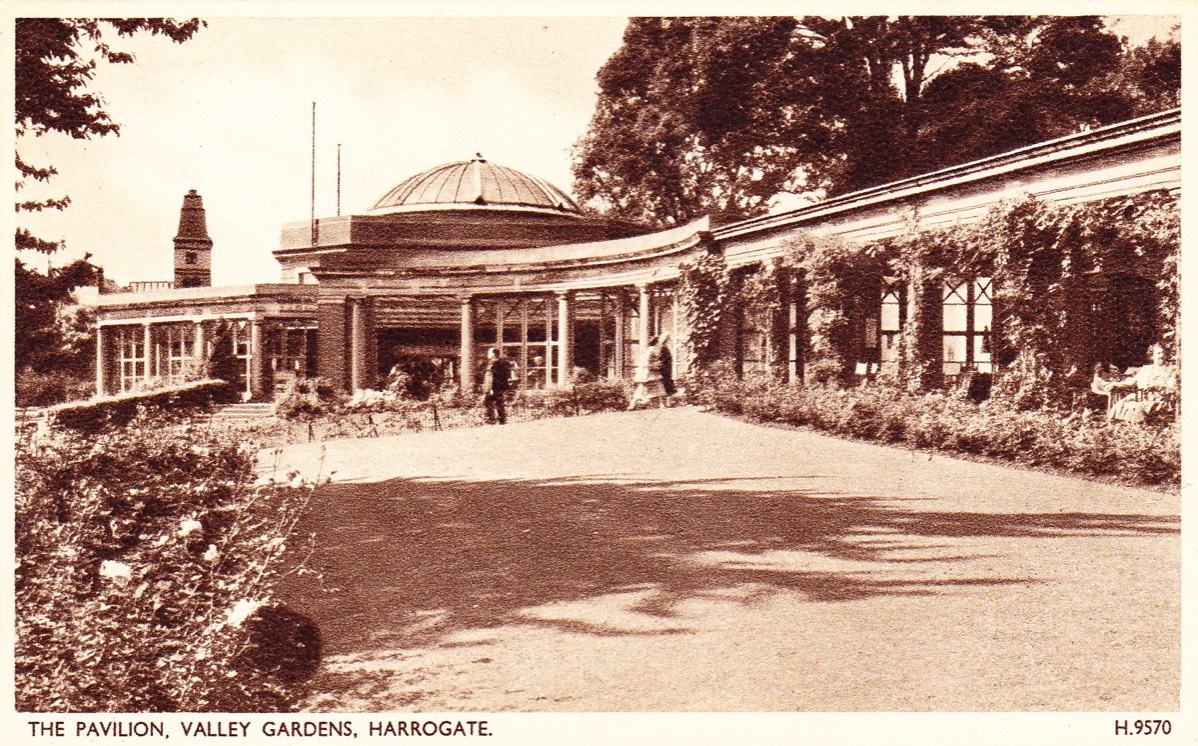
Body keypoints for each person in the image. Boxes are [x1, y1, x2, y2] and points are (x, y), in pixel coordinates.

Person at [1095, 344, 1178, 423]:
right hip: (1141, 396)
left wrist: (1155, 386)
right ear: (1152, 356)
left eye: (1163, 353)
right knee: (1121, 404)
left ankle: (1139, 427)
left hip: (1158, 399)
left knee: (1138, 407)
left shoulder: (1171, 370)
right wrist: (1116, 385)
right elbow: (1132, 381)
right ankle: (1122, 427)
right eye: (1158, 353)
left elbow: (1171, 387)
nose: (1161, 356)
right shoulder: (1146, 369)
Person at [627, 336, 667, 410]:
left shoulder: (648, 350)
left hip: (647, 372)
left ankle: (633, 404)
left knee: (644, 389)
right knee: (657, 388)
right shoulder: (652, 350)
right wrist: (655, 365)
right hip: (649, 373)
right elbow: (648, 361)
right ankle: (661, 405)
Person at [482, 347, 513, 424]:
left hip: (494, 386)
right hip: (501, 386)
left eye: (489, 353)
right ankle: (502, 420)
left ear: (493, 354)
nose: (487, 355)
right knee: (499, 402)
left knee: (488, 402)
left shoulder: (492, 363)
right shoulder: (503, 362)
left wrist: (489, 389)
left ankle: (491, 420)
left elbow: (490, 376)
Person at [657, 332, 675, 405]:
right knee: (664, 385)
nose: (669, 340)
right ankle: (664, 403)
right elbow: (662, 358)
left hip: (667, 368)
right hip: (663, 369)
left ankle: (668, 402)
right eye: (668, 339)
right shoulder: (662, 348)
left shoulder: (665, 347)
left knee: (668, 384)